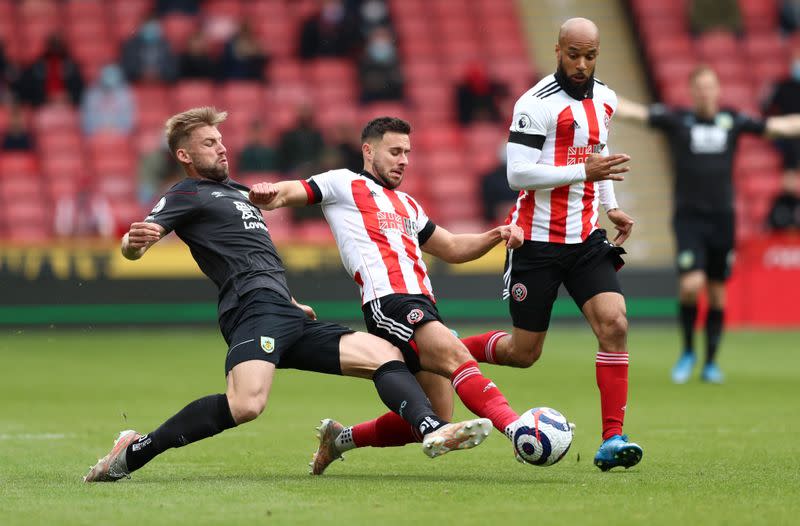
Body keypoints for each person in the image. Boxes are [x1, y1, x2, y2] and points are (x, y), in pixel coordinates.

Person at [82, 107, 492, 483]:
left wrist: (290, 301)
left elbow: (255, 255)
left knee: (385, 355)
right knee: (246, 406)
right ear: (185, 155)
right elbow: (135, 245)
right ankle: (133, 451)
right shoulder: (185, 194)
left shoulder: (239, 191)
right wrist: (133, 245)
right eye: (209, 143)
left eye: (221, 140)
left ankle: (434, 430)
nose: (221, 148)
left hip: (286, 312)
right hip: (252, 311)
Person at [250, 117, 533, 475]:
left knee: (438, 414)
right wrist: (268, 193)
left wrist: (496, 234)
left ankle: (340, 439)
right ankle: (517, 429)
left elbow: (453, 247)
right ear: (368, 151)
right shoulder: (344, 183)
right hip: (389, 302)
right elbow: (294, 191)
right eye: (395, 151)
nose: (404, 160)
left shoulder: (408, 205)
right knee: (457, 355)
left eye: (408, 153)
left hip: (423, 304)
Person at [473, 18, 643, 471]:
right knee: (523, 354)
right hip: (537, 243)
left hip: (586, 239)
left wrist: (611, 206)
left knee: (616, 324)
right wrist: (582, 173)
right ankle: (448, 350)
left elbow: (596, 157)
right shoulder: (535, 104)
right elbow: (518, 174)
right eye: (574, 55)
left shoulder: (605, 98)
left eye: (591, 55)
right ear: (558, 50)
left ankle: (613, 438)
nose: (583, 64)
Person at [614, 65, 800, 384]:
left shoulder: (732, 120)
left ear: (718, 90)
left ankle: (711, 362)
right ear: (691, 91)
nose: (705, 92)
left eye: (710, 86)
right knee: (690, 285)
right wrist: (599, 97)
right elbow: (636, 113)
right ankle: (687, 351)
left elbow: (777, 127)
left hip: (722, 218)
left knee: (716, 294)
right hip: (689, 217)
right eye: (699, 87)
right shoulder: (678, 120)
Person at [14, 34, 84, 107]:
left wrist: (67, 97)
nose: (55, 48)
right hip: (42, 107)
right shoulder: (37, 66)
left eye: (58, 44)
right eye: (53, 44)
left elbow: (78, 91)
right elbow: (27, 91)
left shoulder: (71, 65)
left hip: (66, 106)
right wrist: (47, 98)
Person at [80, 64, 135, 136]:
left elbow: (129, 121)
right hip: (96, 135)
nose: (109, 89)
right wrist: (100, 129)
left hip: (120, 135)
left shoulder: (125, 94)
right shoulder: (91, 94)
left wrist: (117, 129)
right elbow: (87, 120)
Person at [120, 18, 178, 83]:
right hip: (137, 81)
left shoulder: (167, 45)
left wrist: (159, 73)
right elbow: (128, 67)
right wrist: (141, 72)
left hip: (162, 82)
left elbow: (172, 70)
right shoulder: (132, 46)